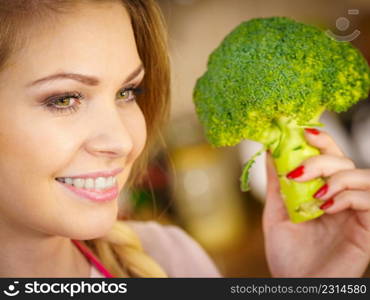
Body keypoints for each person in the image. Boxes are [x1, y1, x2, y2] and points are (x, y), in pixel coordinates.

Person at [0, 0, 368, 278]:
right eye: (64, 99)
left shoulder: (171, 259)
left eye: (128, 91)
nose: (124, 142)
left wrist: (312, 283)